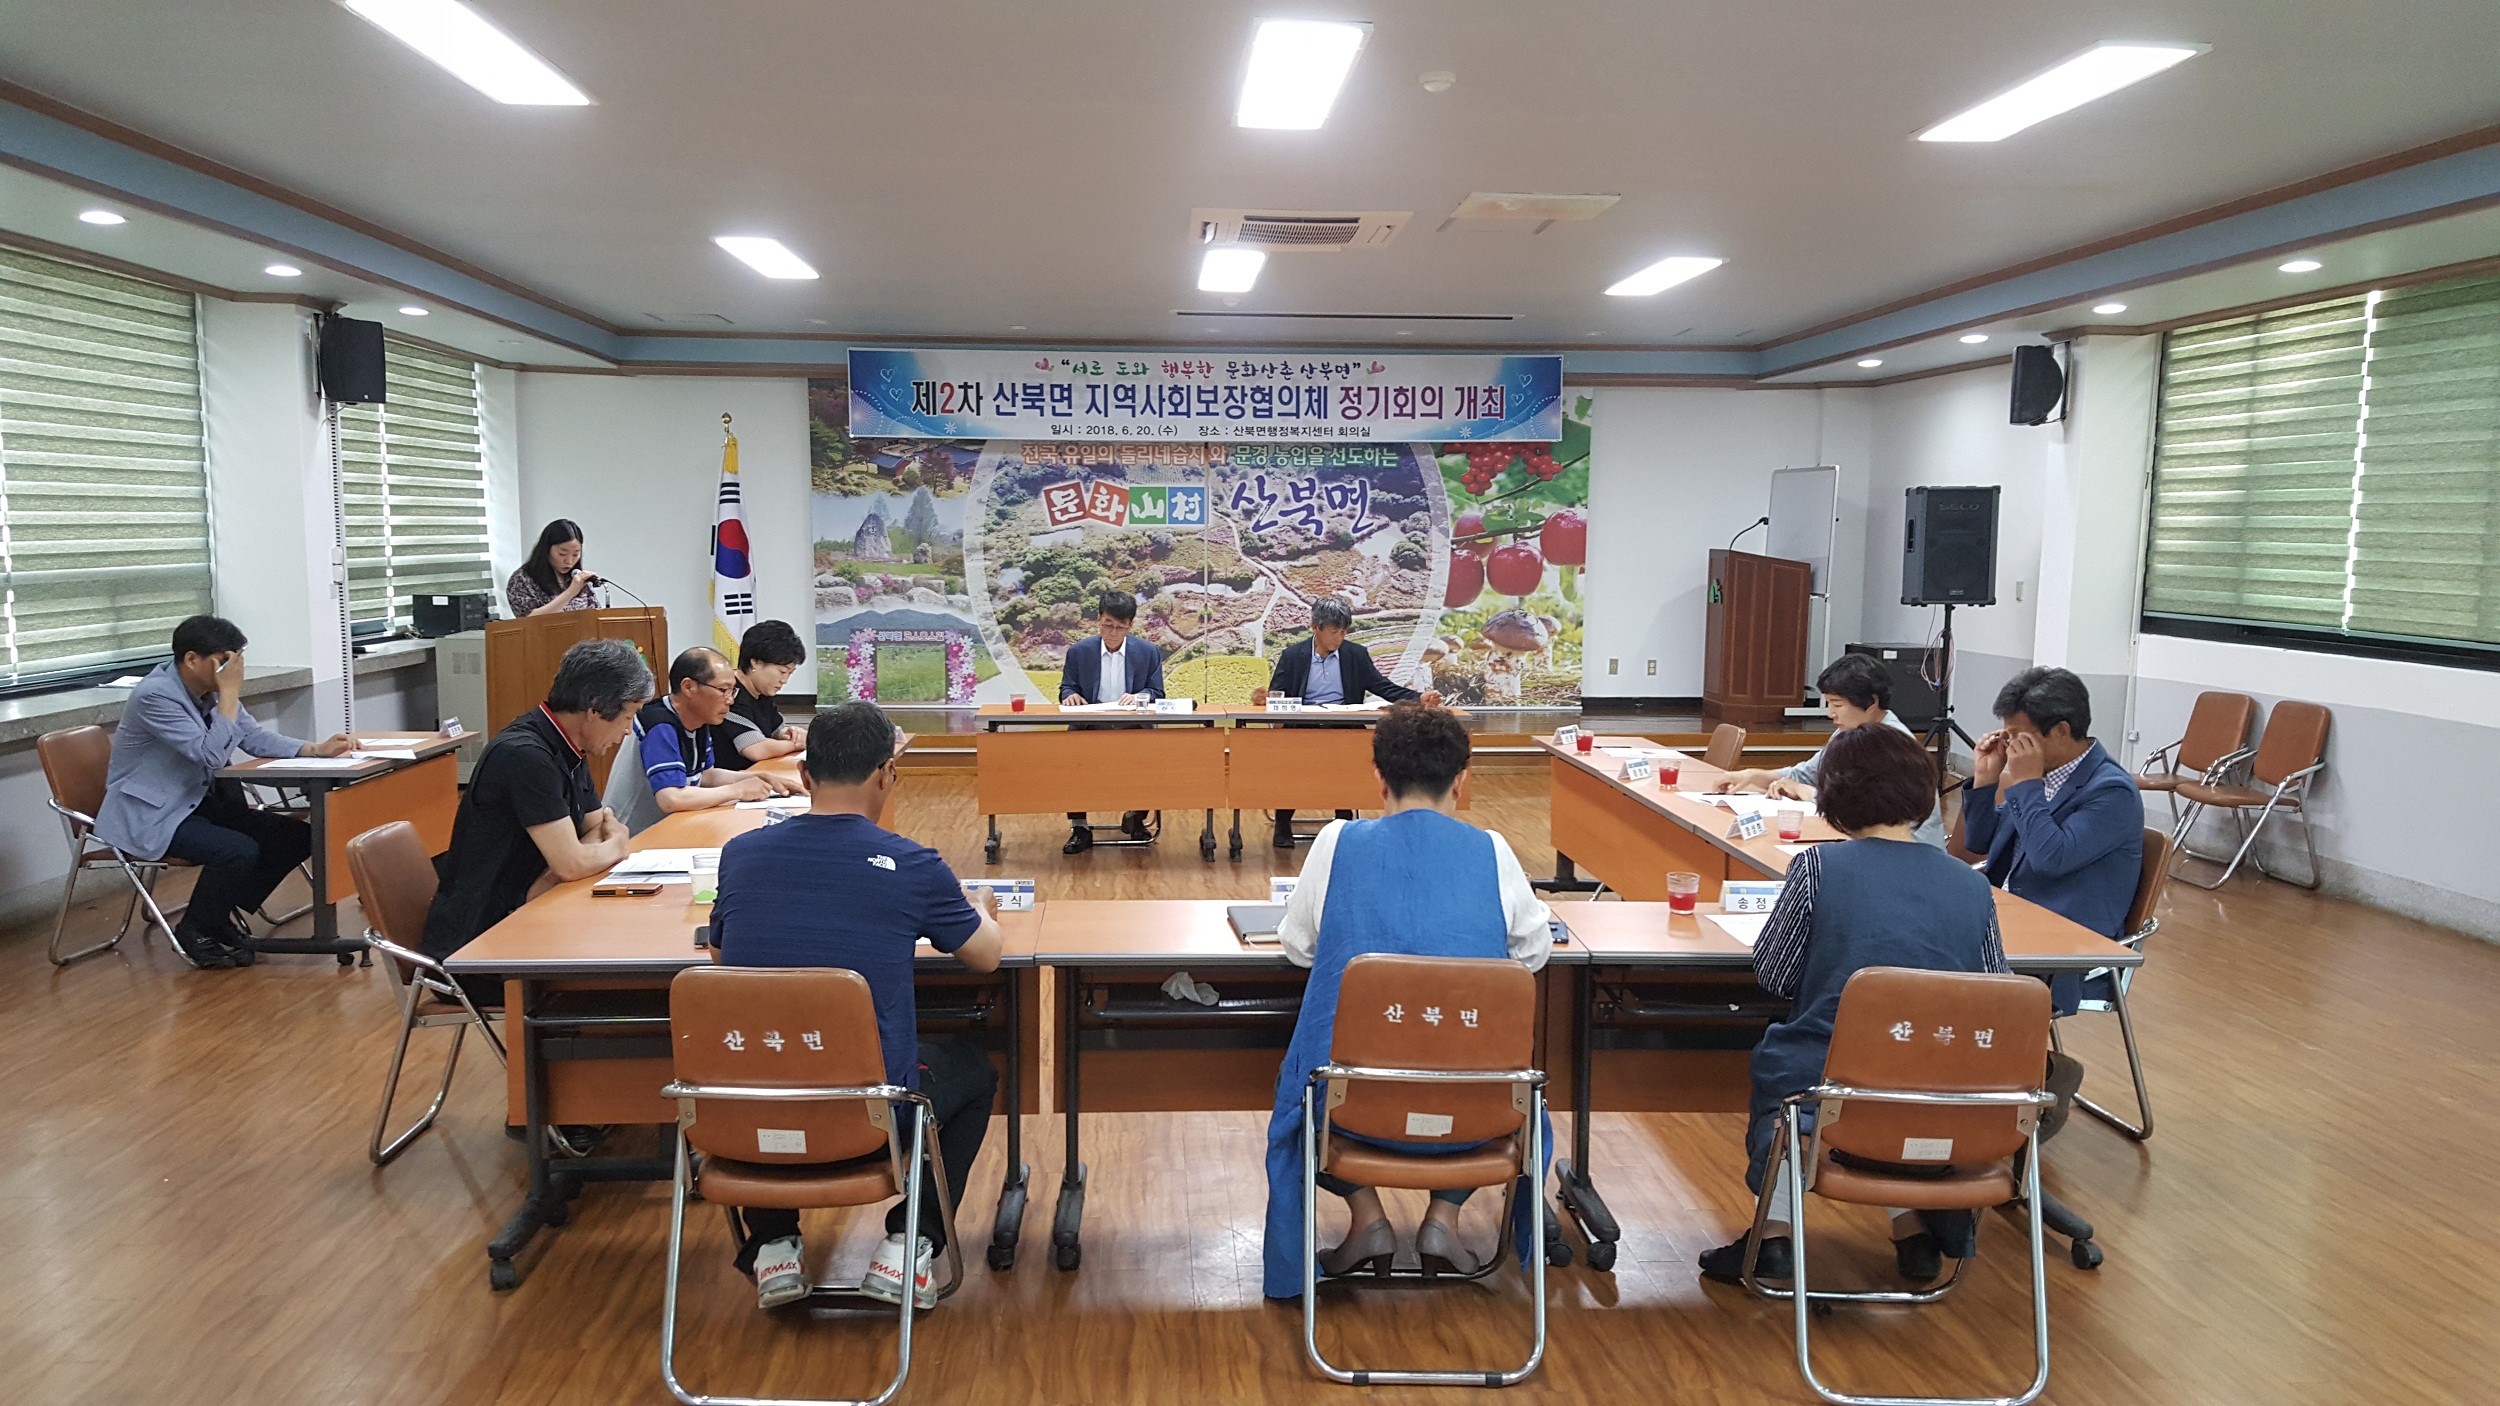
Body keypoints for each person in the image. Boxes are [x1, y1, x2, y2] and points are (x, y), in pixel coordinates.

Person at [711, 701, 1005, 1311]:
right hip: (869, 1121)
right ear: (886, 774)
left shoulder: (740, 854)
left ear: (805, 776)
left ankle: (774, 1246)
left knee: (768, 1061)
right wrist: (980, 908)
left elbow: (721, 957)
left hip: (747, 1119)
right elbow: (985, 957)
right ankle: (909, 1244)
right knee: (975, 1070)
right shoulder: (914, 865)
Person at [1696, 724, 2010, 1289]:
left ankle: (1774, 1236)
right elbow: (1993, 992)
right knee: (1888, 1079)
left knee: (1798, 1071)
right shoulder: (1971, 886)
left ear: (1835, 799)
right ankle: (1912, 1227)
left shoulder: (1819, 867)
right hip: (1943, 1090)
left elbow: (1777, 975)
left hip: (1831, 1084)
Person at [1261, 702, 1552, 1301]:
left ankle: (1368, 1219)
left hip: (1352, 1110)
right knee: (1487, 1073)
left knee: (1305, 1091)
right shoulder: (1493, 850)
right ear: (1461, 780)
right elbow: (1532, 954)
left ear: (1379, 778)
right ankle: (1442, 1221)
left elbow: (1298, 947)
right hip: (1476, 1114)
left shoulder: (1336, 842)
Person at [92, 615, 354, 970]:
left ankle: (214, 915)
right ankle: (196, 929)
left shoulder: (209, 693)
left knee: (295, 836)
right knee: (236, 851)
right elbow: (210, 754)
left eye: (236, 659)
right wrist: (229, 693)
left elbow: (252, 736)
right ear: (191, 659)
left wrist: (314, 749)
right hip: (152, 814)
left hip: (195, 803)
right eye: (224, 660)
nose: (233, 670)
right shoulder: (155, 695)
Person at [419, 639, 647, 998]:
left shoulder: (569, 745)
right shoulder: (525, 755)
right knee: (635, 984)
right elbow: (577, 860)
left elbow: (593, 828)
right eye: (628, 715)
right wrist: (615, 845)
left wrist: (557, 872)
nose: (629, 730)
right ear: (594, 708)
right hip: (480, 950)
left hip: (531, 916)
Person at [1962, 666, 2143, 1017]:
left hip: (2063, 945)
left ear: (2061, 730)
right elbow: (1979, 841)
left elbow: (2050, 858)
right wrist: (1986, 779)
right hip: (2011, 919)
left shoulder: (2111, 791)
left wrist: (2026, 784)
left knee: (1941, 969)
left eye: (2019, 737)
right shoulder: (2045, 774)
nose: (2011, 747)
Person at [1255, 596, 1443, 848]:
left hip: (1343, 724)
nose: (1339, 638)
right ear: (1315, 627)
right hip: (1303, 725)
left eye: (1343, 632)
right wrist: (1264, 698)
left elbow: (1382, 686)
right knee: (1293, 764)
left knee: (1348, 759)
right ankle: (1283, 822)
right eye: (1333, 632)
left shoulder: (1355, 655)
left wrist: (1418, 698)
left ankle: (1344, 820)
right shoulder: (1293, 655)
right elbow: (1276, 693)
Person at [1712, 652, 1946, 848]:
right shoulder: (1850, 731)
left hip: (1909, 850)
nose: (1830, 713)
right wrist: (1754, 776)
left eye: (1837, 704)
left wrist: (1810, 794)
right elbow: (1805, 775)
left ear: (1872, 703)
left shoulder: (1892, 744)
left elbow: (1870, 809)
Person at [603, 647, 795, 834]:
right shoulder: (659, 724)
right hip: (635, 836)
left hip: (672, 826)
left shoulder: (699, 720)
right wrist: (737, 790)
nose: (730, 700)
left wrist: (759, 777)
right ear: (688, 687)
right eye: (723, 690)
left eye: (732, 691)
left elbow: (706, 776)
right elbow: (671, 798)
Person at [1054, 590, 1166, 853]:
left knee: (1149, 760)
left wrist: (1140, 696)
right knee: (1073, 763)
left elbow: (1157, 692)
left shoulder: (1148, 652)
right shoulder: (1080, 651)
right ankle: (1080, 827)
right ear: (1098, 620)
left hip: (1133, 727)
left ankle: (1135, 817)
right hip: (1090, 726)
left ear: (1130, 625)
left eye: (1120, 627)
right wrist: (1070, 696)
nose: (1113, 632)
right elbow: (1067, 687)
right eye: (1107, 625)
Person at [710, 620, 809, 771]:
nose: (784, 680)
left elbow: (776, 731)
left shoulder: (761, 692)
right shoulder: (729, 694)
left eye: (790, 673)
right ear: (755, 662)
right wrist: (797, 744)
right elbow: (756, 749)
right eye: (782, 671)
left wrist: (791, 734)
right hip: (728, 778)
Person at [506, 519, 599, 617]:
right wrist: (571, 592)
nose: (569, 561)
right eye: (562, 554)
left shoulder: (579, 579)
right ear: (546, 550)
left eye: (575, 554)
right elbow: (529, 620)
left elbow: (596, 616)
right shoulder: (522, 579)